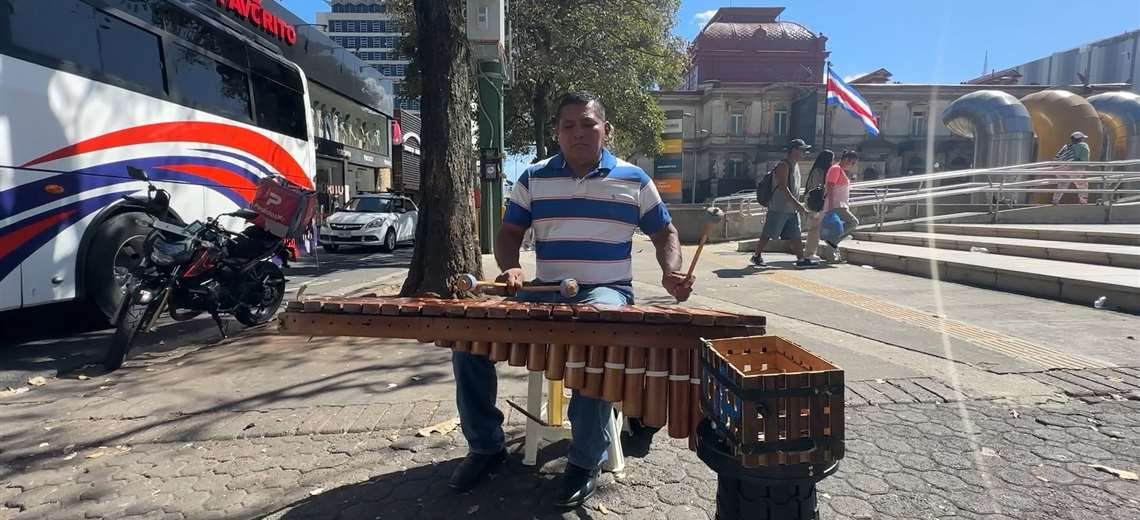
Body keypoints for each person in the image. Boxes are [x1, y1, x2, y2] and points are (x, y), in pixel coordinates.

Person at [448, 92, 694, 508]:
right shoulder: (533, 177)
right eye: (568, 126)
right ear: (557, 133)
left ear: (606, 130)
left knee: (594, 332)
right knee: (470, 336)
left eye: (588, 124)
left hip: (608, 293)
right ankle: (486, 446)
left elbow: (664, 233)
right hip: (546, 288)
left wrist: (672, 271)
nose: (578, 132)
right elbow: (508, 234)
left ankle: (585, 459)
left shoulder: (634, 180)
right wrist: (510, 268)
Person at [751, 139, 816, 268]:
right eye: (802, 149)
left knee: (796, 234)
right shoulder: (784, 165)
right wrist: (798, 204)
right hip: (779, 207)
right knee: (768, 233)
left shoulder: (796, 166)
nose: (805, 152)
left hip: (791, 209)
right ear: (794, 150)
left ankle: (801, 259)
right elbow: (783, 187)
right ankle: (756, 256)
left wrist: (798, 205)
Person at [809, 150, 860, 256]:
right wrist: (831, 206)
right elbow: (830, 186)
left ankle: (831, 248)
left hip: (839, 204)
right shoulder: (836, 169)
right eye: (852, 162)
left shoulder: (839, 169)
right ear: (846, 159)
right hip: (837, 205)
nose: (853, 165)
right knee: (853, 222)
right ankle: (832, 242)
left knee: (835, 227)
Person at [800, 149, 835, 262]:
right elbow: (816, 188)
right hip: (815, 204)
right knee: (814, 228)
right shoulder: (819, 171)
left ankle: (810, 252)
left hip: (817, 203)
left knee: (815, 228)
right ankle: (809, 253)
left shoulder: (819, 170)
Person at [1052, 131, 1091, 205]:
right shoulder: (1083, 146)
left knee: (1063, 184)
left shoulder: (1066, 146)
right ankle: (1083, 202)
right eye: (1082, 138)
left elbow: (1057, 157)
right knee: (1083, 183)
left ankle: (1055, 201)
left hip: (1059, 168)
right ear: (1079, 139)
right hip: (1073, 167)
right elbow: (1084, 159)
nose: (1083, 140)